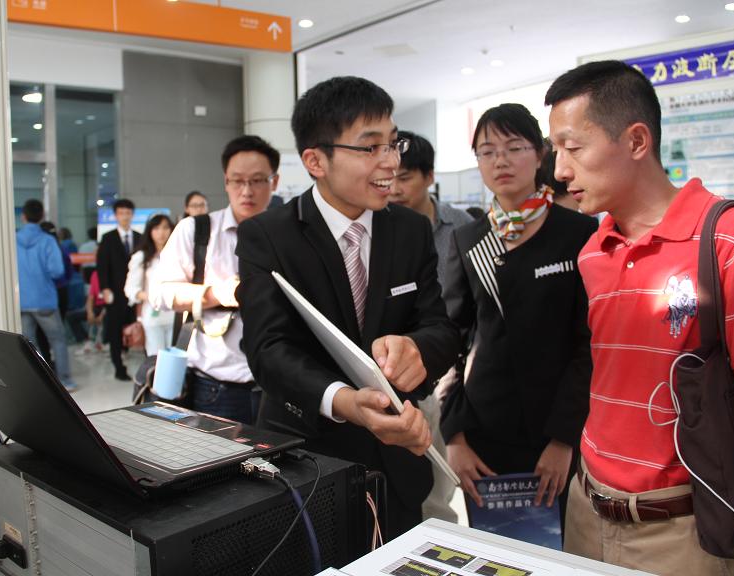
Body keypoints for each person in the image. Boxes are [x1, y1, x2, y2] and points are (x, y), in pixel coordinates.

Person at [546, 60, 734, 575]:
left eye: (573, 148)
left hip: (682, 531)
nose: (559, 170)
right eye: (555, 150)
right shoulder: (593, 251)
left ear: (636, 140)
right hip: (586, 511)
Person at [236, 76, 460, 538]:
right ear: (316, 161)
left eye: (393, 143)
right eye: (370, 147)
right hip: (306, 462)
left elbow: (439, 328)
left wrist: (417, 350)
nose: (391, 161)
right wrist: (344, 401)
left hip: (398, 464)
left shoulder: (410, 229)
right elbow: (268, 349)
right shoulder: (269, 235)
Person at [440, 103, 596, 529]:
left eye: (514, 147)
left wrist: (564, 439)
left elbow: (588, 343)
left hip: (561, 428)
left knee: (566, 547)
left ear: (541, 153)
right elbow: (452, 339)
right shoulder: (468, 239)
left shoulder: (578, 233)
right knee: (495, 549)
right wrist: (454, 434)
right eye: (487, 151)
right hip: (484, 433)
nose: (501, 161)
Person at [155, 135, 280, 424]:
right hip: (215, 386)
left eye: (257, 180)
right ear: (226, 181)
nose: (246, 191)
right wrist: (216, 294)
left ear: (274, 182)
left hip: (277, 387)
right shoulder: (195, 231)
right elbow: (161, 294)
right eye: (237, 181)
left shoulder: (289, 235)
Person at [388, 130, 471, 523]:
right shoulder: (382, 227)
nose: (395, 188)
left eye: (405, 178)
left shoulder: (462, 226)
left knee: (440, 492)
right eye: (390, 178)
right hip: (402, 375)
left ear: (430, 177)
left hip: (453, 372)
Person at [16, 199, 78, 391]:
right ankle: (65, 381)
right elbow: (57, 271)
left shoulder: (13, 239)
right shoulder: (47, 240)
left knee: (30, 344)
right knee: (57, 340)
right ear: (42, 216)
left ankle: (39, 383)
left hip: (22, 300)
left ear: (23, 217)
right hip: (44, 300)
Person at [96, 199, 141, 381]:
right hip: (115, 293)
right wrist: (105, 288)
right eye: (121, 213)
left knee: (137, 326)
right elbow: (102, 266)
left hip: (136, 294)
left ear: (132, 215)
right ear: (115, 215)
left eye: (128, 213)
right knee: (115, 330)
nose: (125, 216)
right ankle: (118, 367)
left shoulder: (139, 237)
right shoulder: (108, 238)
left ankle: (141, 363)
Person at [124, 214, 175, 357]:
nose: (161, 232)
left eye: (165, 228)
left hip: (176, 315)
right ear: (150, 231)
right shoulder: (141, 257)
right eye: (156, 228)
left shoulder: (178, 254)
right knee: (156, 359)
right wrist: (152, 297)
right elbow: (130, 289)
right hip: (153, 315)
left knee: (176, 359)